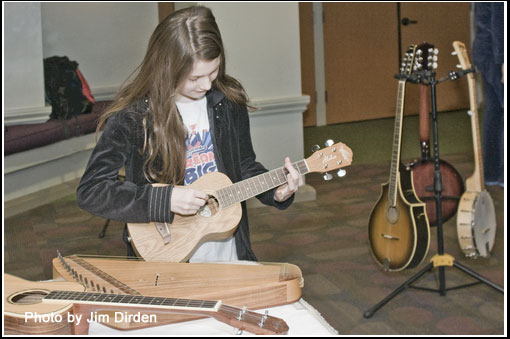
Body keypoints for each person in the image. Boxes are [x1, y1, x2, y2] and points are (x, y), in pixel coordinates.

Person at [77, 6, 303, 262]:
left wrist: (275, 192)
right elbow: (91, 190)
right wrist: (164, 199)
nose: (206, 85)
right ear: (167, 68)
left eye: (213, 72)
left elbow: (243, 165)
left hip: (227, 248)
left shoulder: (228, 102)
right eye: (195, 77)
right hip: (165, 251)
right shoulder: (133, 116)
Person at [472, 2, 504, 188]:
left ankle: (493, 172)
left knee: (495, 111)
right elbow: (499, 20)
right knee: (498, 111)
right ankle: (498, 172)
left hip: (487, 52)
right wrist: (503, 59)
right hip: (495, 54)